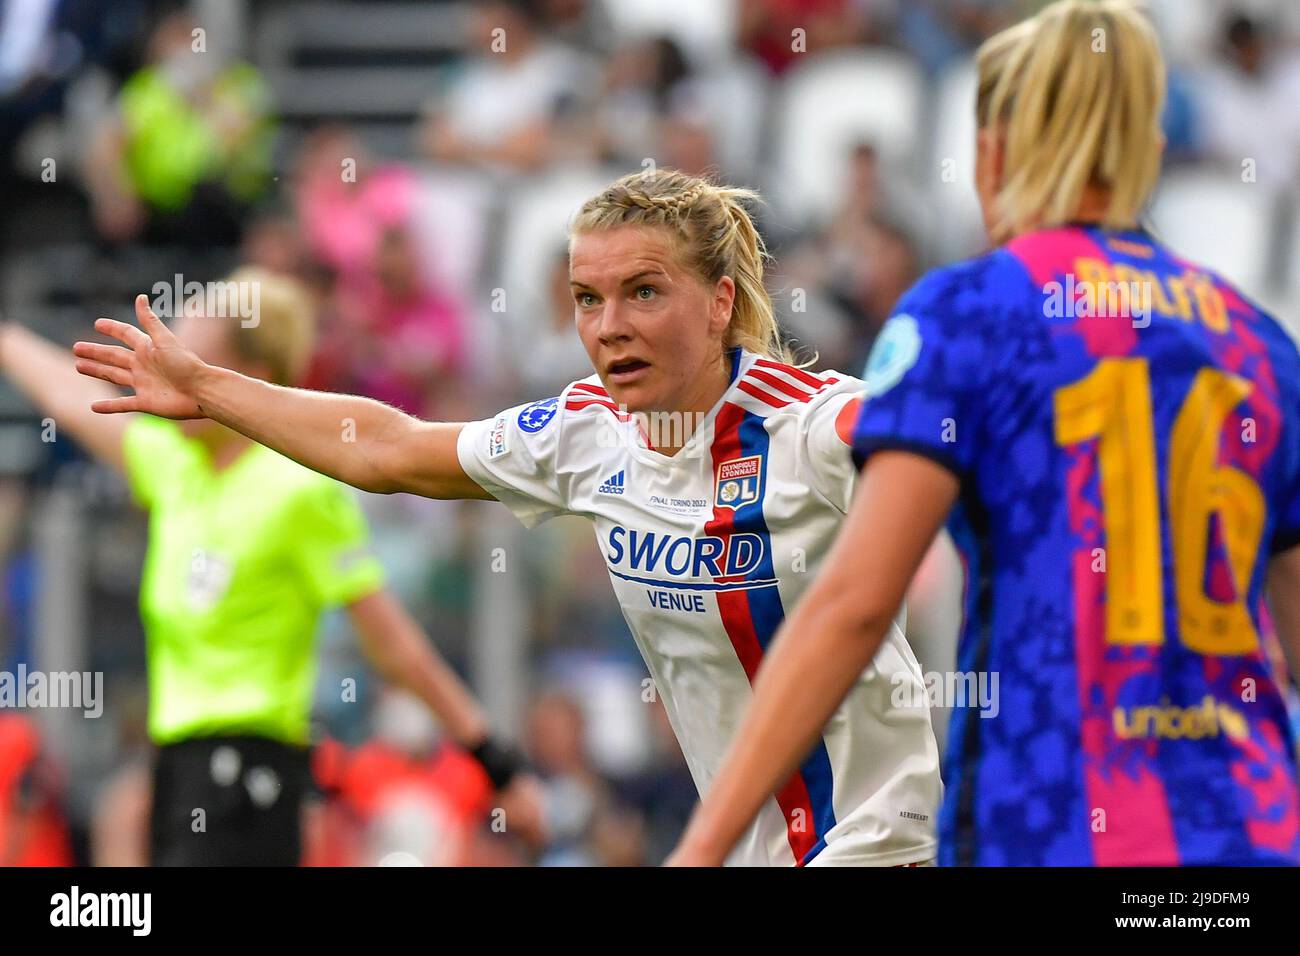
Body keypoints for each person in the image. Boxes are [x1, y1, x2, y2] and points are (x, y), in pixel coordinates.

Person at [71, 169, 942, 866]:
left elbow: (953, 442)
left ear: (720, 302)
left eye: (645, 292)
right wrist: (210, 392)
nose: (609, 328)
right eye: (587, 299)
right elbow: (386, 447)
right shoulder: (585, 434)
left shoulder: (817, 426)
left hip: (873, 842)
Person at [667, 0, 1300, 867]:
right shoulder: (1256, 341)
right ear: (1147, 149)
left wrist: (702, 847)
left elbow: (854, 606)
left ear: (996, 153)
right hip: (1251, 832)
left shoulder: (972, 314)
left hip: (1052, 823)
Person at [0, 269, 541, 865]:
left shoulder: (298, 489)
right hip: (177, 772)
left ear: (246, 378)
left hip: (251, 775)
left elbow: (392, 645)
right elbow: (67, 397)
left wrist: (494, 761)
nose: (163, 376)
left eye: (189, 362)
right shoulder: (177, 467)